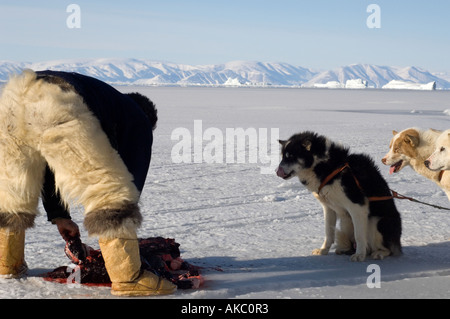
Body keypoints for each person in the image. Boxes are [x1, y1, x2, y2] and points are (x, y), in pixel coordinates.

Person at [0, 70, 176, 296]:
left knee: (14, 192)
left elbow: (50, 162)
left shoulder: (107, 102)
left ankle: (7, 264)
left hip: (14, 97)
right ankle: (129, 278)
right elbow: (129, 180)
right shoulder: (137, 120)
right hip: (62, 101)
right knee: (111, 195)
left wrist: (60, 215)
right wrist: (120, 211)